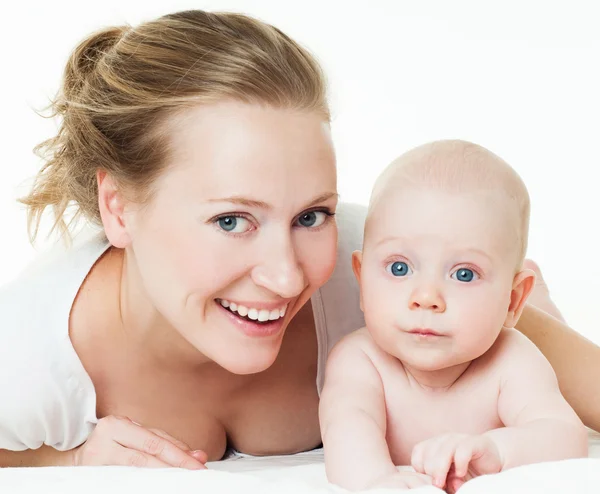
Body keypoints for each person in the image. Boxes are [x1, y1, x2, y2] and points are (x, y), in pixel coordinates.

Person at [0, 8, 597, 469]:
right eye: (231, 221)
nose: (288, 277)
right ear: (118, 207)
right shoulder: (28, 357)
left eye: (312, 214)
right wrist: (67, 458)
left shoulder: (387, 269)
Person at [319, 140, 588, 493]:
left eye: (464, 274)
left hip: (522, 323)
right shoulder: (359, 360)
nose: (426, 298)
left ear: (511, 300)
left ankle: (539, 300)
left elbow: (565, 436)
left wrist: (498, 449)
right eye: (399, 268)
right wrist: (376, 480)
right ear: (362, 280)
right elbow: (347, 429)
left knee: (549, 323)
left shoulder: (512, 360)